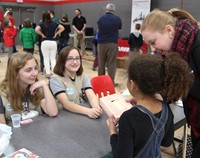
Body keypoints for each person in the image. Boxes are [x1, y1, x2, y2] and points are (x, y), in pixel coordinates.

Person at [107, 54, 194, 158]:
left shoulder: (128, 118)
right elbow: (167, 142)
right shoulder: (166, 108)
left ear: (132, 84)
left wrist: (113, 133)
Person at [140, 8, 200, 157]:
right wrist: (150, 98)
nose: (153, 48)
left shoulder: (197, 45)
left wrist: (182, 81)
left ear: (169, 30)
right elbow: (173, 85)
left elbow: (182, 83)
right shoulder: (176, 52)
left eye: (153, 42)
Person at [0, 52, 58, 124]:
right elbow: (2, 128)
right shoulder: (2, 95)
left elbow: (53, 112)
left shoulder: (37, 88)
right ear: (15, 74)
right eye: (28, 70)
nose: (35, 73)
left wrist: (44, 85)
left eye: (35, 68)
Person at [49, 46, 102, 119]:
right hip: (65, 117)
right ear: (62, 61)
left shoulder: (83, 76)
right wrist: (88, 111)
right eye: (70, 59)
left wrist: (96, 108)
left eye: (77, 58)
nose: (75, 62)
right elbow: (66, 103)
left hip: (81, 114)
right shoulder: (55, 79)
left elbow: (91, 95)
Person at [97, 3, 122, 85]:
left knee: (101, 63)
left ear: (106, 9)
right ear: (114, 10)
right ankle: (110, 83)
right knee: (111, 64)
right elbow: (119, 31)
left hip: (101, 43)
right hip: (112, 43)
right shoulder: (117, 19)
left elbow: (98, 30)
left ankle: (100, 82)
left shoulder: (100, 18)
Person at [35, 11, 64, 78]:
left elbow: (36, 29)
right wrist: (56, 34)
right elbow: (62, 28)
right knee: (53, 59)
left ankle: (48, 73)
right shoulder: (54, 23)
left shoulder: (41, 23)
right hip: (53, 42)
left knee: (46, 58)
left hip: (44, 42)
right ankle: (54, 73)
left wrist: (42, 34)